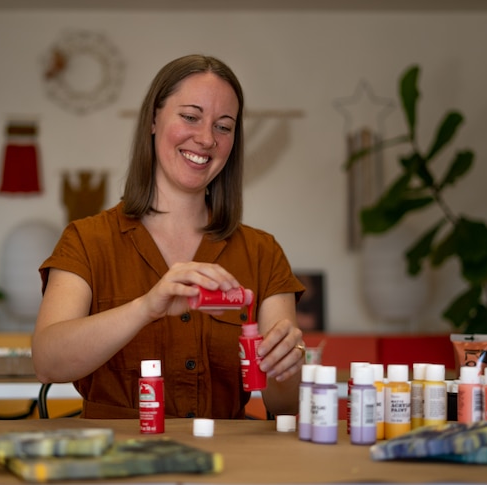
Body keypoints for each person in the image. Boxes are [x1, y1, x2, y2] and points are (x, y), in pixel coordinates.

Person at [33, 54, 306, 420]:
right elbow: (48, 363)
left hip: (229, 464)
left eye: (223, 127)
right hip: (115, 464)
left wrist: (287, 368)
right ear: (152, 120)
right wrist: (147, 307)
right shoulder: (87, 240)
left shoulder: (262, 252)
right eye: (191, 117)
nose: (207, 138)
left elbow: (283, 407)